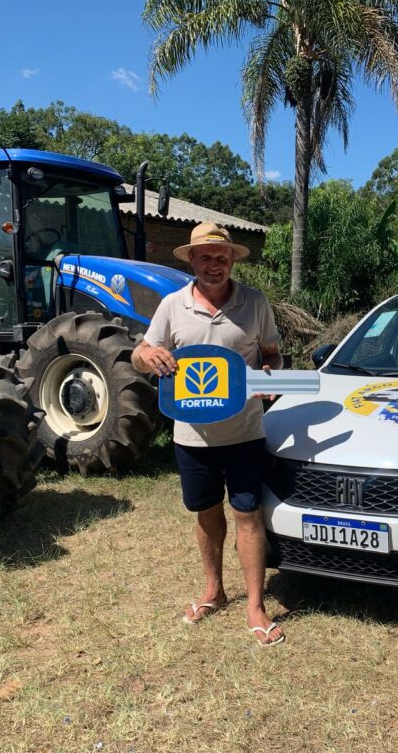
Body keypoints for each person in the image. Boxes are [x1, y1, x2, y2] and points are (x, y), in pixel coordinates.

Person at [132, 222, 285, 646]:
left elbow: (271, 353)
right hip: (192, 437)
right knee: (205, 513)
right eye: (206, 257)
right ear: (192, 260)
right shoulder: (171, 305)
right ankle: (213, 590)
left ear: (232, 260)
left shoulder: (255, 303)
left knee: (248, 515)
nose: (214, 265)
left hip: (245, 432)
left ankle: (255, 604)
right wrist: (150, 355)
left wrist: (271, 373)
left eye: (222, 257)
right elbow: (139, 354)